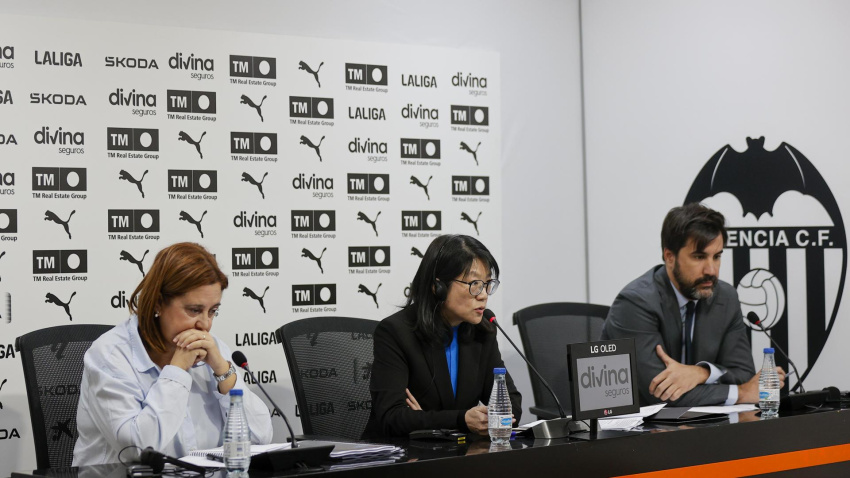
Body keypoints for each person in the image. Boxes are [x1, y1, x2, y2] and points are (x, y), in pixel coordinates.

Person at [73, 243, 273, 465]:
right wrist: (177, 371)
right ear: (158, 303)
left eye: (213, 311)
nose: (205, 324)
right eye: (194, 310)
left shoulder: (213, 348)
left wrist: (223, 371)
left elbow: (260, 437)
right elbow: (137, 450)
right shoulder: (110, 356)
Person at [601, 204, 785, 407]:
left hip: (701, 428)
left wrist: (700, 373)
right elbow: (659, 393)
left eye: (717, 257)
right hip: (638, 432)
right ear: (670, 257)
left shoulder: (726, 297)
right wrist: (741, 393)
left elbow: (742, 373)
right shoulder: (636, 303)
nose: (711, 270)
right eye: (699, 257)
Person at [363, 234, 521, 437]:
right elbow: (392, 417)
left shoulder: (482, 330)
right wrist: (461, 420)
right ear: (438, 287)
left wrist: (428, 421)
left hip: (454, 455)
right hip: (400, 458)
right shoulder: (396, 332)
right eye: (474, 284)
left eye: (487, 283)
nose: (483, 294)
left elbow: (511, 405)